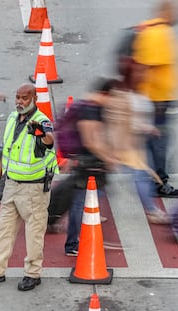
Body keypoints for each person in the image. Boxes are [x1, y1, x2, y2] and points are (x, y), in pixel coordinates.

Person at [0, 83, 58, 291]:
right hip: (11, 184)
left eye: (25, 98)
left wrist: (39, 133)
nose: (20, 102)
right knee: (4, 229)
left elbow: (50, 141)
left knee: (34, 232)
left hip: (34, 189)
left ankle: (33, 274)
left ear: (35, 98)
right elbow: (7, 152)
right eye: (18, 97)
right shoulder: (12, 118)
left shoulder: (42, 122)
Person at [104, 61, 169, 224]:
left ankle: (152, 210)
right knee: (138, 175)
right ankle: (152, 211)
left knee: (110, 176)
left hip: (133, 144)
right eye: (140, 72)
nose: (144, 75)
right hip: (126, 145)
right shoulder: (127, 96)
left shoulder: (133, 92)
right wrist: (148, 128)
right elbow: (128, 122)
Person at [133, 0, 178, 198]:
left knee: (153, 141)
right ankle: (159, 183)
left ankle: (152, 178)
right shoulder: (159, 33)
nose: (177, 14)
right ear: (167, 12)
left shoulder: (151, 29)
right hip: (156, 101)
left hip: (156, 99)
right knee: (158, 142)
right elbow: (147, 67)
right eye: (174, 11)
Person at [63, 78, 120, 256]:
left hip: (92, 163)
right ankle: (72, 243)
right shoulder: (90, 109)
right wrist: (108, 158)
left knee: (93, 195)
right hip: (85, 163)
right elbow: (90, 141)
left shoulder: (97, 108)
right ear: (106, 94)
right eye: (114, 98)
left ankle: (80, 225)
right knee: (79, 202)